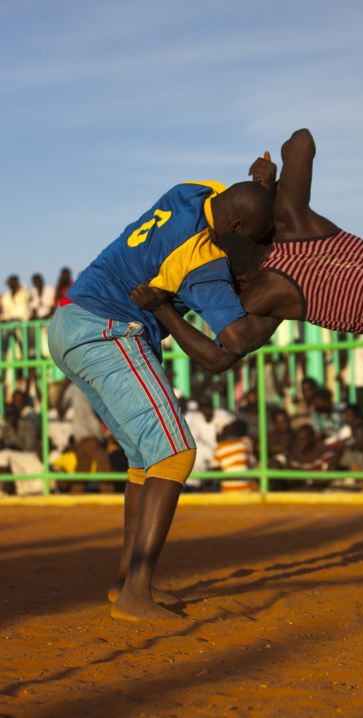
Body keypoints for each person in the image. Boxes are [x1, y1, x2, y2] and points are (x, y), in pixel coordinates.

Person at [134, 129, 363, 626]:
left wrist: (165, 310)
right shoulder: (296, 219)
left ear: (237, 274)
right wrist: (268, 184)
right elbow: (300, 141)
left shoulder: (264, 296)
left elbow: (216, 359)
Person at [48, 178, 279, 621]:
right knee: (175, 454)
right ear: (233, 224)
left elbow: (244, 201)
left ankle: (125, 583)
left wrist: (266, 184)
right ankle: (136, 592)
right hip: (108, 330)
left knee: (145, 461)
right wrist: (283, 308)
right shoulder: (201, 262)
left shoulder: (193, 190)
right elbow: (227, 346)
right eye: (249, 236)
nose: (249, 245)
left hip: (69, 322)